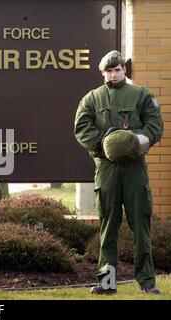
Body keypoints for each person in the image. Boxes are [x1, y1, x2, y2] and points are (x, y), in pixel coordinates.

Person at [74, 51, 163, 294]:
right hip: (107, 169)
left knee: (141, 226)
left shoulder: (142, 95)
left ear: (124, 69)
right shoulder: (92, 99)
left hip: (135, 168)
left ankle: (147, 282)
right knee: (107, 227)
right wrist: (105, 142)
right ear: (102, 73)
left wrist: (131, 142)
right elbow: (81, 129)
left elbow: (155, 127)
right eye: (109, 71)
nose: (113, 75)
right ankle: (107, 282)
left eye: (117, 70)